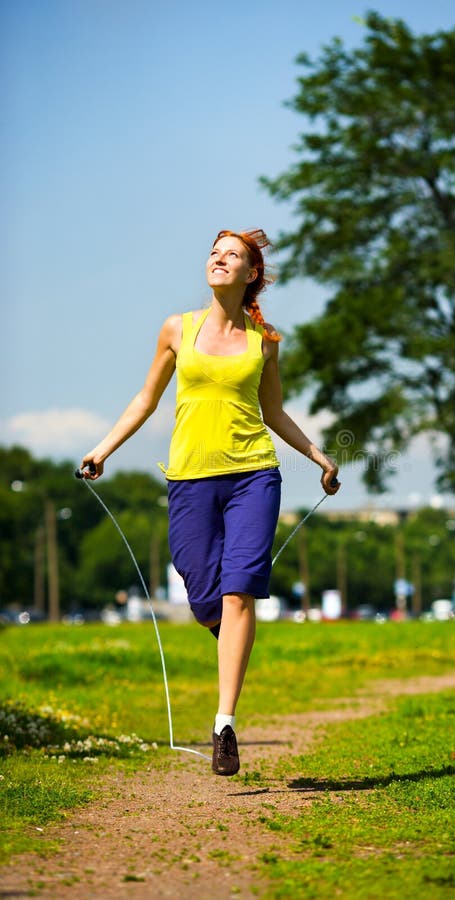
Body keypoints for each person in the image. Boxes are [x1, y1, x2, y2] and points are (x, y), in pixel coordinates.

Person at [80, 228, 340, 776]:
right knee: (204, 595)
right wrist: (102, 449)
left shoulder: (265, 340)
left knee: (239, 591)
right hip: (191, 480)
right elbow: (146, 399)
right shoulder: (178, 328)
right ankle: (230, 635)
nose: (219, 260)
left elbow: (273, 411)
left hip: (254, 476)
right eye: (214, 252)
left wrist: (318, 456)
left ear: (251, 275)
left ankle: (224, 724)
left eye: (233, 256)